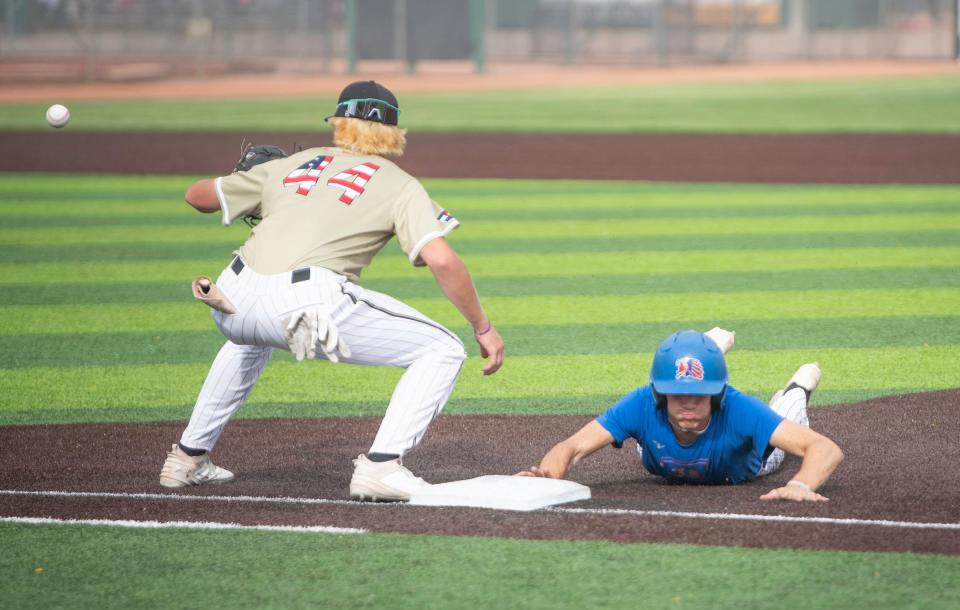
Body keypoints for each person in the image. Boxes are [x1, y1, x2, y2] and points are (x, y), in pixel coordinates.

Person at [159, 80, 504, 501]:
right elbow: (443, 260)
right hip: (306, 307)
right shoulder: (399, 183)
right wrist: (483, 327)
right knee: (443, 349)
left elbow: (196, 196)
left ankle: (187, 459)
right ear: (394, 134)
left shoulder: (294, 164)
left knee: (250, 339)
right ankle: (381, 467)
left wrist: (250, 180)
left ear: (338, 123)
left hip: (231, 298)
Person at [520, 328, 843, 502]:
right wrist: (545, 477)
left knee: (788, 414)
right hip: (657, 444)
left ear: (716, 394)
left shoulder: (739, 407)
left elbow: (824, 448)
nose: (688, 404)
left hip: (752, 460)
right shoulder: (642, 402)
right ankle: (703, 353)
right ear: (660, 393)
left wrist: (801, 485)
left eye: (700, 395)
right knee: (647, 424)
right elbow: (572, 447)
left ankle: (797, 388)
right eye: (678, 394)